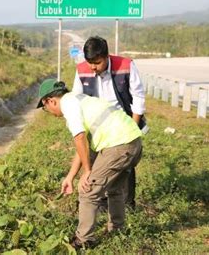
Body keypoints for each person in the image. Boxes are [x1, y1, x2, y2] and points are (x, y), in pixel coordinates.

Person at [37, 79, 142, 249]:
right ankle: (118, 229)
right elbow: (83, 147)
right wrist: (70, 177)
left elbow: (79, 138)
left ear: (50, 101)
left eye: (45, 108)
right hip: (133, 142)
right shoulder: (80, 99)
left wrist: (87, 171)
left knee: (87, 191)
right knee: (114, 189)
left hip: (118, 145)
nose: (48, 111)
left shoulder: (68, 105)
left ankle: (84, 240)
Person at [72, 36, 146, 208]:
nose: (92, 67)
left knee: (124, 164)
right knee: (99, 163)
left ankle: (127, 204)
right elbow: (78, 99)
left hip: (123, 123)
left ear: (107, 57)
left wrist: (131, 130)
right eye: (90, 62)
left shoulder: (126, 65)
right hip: (97, 125)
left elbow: (138, 97)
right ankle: (102, 201)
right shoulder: (82, 70)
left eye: (97, 63)